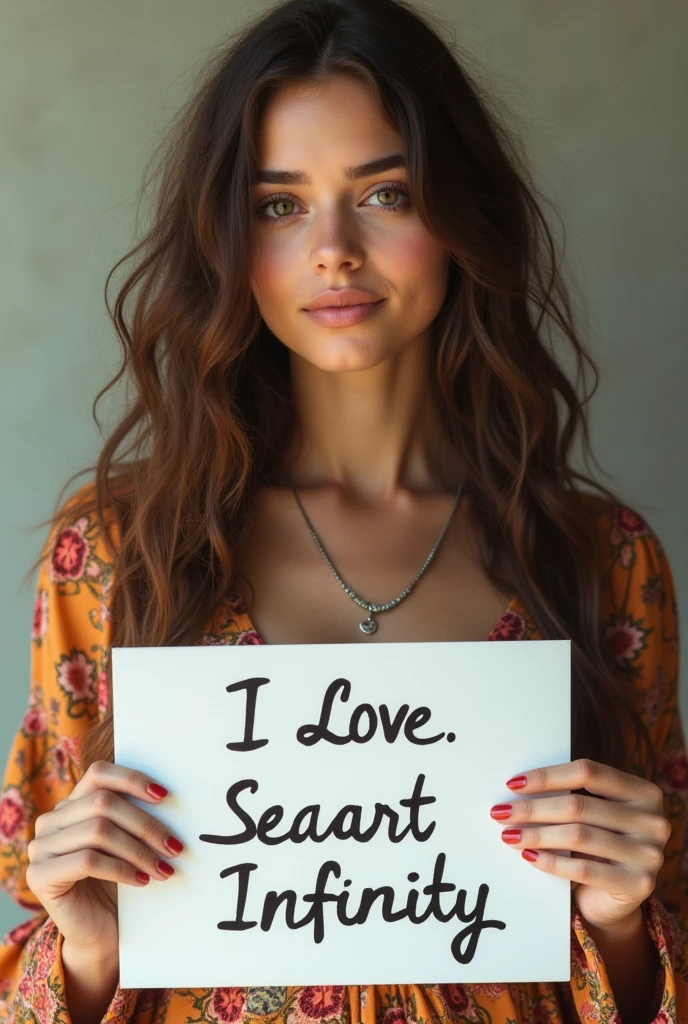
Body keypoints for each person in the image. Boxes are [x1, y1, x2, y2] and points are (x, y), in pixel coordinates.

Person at [0, 0, 686, 1021]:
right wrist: (90, 946)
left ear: (462, 216)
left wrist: (625, 921)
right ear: (227, 239)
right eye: (279, 205)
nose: (333, 248)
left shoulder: (603, 562)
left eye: (386, 193)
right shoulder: (113, 555)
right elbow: (35, 973)